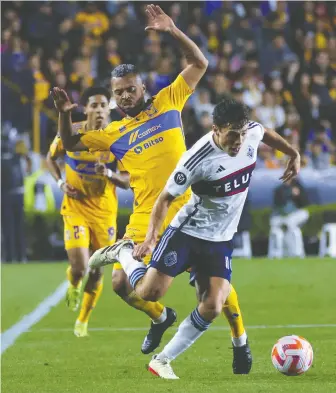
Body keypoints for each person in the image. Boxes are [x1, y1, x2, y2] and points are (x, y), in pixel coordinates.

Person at [51, 5, 249, 372]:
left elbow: (200, 63)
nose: (125, 96)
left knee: (209, 282)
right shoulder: (111, 134)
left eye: (131, 89)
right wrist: (64, 113)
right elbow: (69, 144)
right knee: (120, 285)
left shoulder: (167, 101)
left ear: (143, 87)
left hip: (187, 206)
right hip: (146, 212)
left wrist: (173, 30)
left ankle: (240, 340)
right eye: (119, 93)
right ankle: (161, 318)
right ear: (114, 97)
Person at [89, 98, 301, 379]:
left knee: (212, 305)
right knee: (149, 293)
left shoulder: (249, 132)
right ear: (216, 129)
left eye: (241, 133)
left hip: (221, 239)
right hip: (187, 233)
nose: (238, 141)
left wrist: (293, 153)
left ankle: (162, 360)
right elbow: (164, 199)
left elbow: (266, 133)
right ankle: (124, 252)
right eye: (232, 135)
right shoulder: (196, 158)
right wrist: (150, 239)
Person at [46, 87, 130, 337]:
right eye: (93, 105)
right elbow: (50, 158)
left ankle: (83, 320)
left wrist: (110, 174)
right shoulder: (72, 133)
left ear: (109, 108)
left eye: (103, 104)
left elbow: (127, 179)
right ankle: (73, 283)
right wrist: (60, 183)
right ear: (85, 109)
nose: (99, 109)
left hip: (104, 212)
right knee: (81, 266)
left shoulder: (118, 136)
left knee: (96, 271)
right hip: (75, 207)